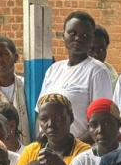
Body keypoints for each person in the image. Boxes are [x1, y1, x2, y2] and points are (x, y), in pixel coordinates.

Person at [38, 11, 112, 142]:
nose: (78, 38)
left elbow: (100, 119)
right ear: (63, 35)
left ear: (91, 40)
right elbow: (40, 112)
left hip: (81, 149)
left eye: (85, 35)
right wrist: (41, 142)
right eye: (72, 33)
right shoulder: (53, 70)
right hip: (49, 148)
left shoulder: (97, 71)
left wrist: (73, 149)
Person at [10, 94, 90, 165]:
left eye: (58, 117)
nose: (51, 124)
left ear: (71, 118)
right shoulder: (31, 151)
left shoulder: (84, 153)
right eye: (44, 119)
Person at [89, 24, 118, 90]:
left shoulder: (114, 80)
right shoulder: (73, 75)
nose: (96, 54)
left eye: (101, 49)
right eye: (91, 49)